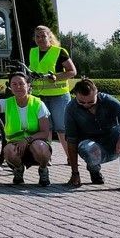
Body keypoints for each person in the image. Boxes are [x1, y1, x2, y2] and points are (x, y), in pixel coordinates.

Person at [0, 71, 52, 186]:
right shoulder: (7, 103)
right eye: (14, 84)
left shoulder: (38, 104)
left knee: (41, 148)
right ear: (10, 87)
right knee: (9, 151)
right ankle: (18, 170)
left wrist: (27, 140)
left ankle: (43, 169)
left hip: (35, 142)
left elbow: (45, 133)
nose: (18, 87)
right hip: (15, 144)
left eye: (21, 83)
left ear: (28, 85)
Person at [64, 78, 120, 192]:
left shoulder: (107, 100)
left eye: (91, 102)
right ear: (75, 95)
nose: (86, 105)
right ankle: (94, 170)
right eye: (81, 102)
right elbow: (71, 141)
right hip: (91, 147)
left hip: (114, 144)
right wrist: (75, 173)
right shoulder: (71, 108)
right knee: (87, 147)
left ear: (97, 93)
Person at [28, 25, 77, 158]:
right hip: (39, 96)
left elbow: (72, 71)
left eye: (43, 36)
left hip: (58, 96)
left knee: (62, 129)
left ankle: (71, 158)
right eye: (37, 36)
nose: (40, 39)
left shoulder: (59, 51)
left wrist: (56, 77)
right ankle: (46, 157)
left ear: (49, 37)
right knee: (45, 129)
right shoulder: (32, 52)